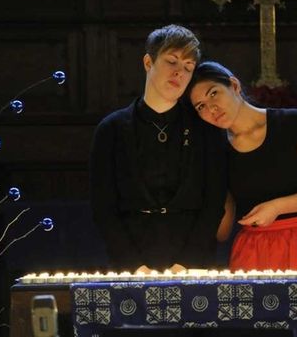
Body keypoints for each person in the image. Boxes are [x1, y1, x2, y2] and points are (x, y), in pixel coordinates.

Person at [89, 25, 227, 274]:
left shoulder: (206, 129)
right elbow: (103, 206)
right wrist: (133, 265)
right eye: (171, 61)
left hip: (194, 257)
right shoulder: (112, 129)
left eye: (187, 67)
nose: (179, 73)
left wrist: (187, 263)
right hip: (130, 257)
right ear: (148, 62)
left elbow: (214, 202)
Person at [188, 61, 297, 271]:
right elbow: (223, 226)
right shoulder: (217, 149)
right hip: (253, 249)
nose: (211, 108)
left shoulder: (291, 122)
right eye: (201, 106)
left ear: (234, 86)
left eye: (213, 93)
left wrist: (276, 207)